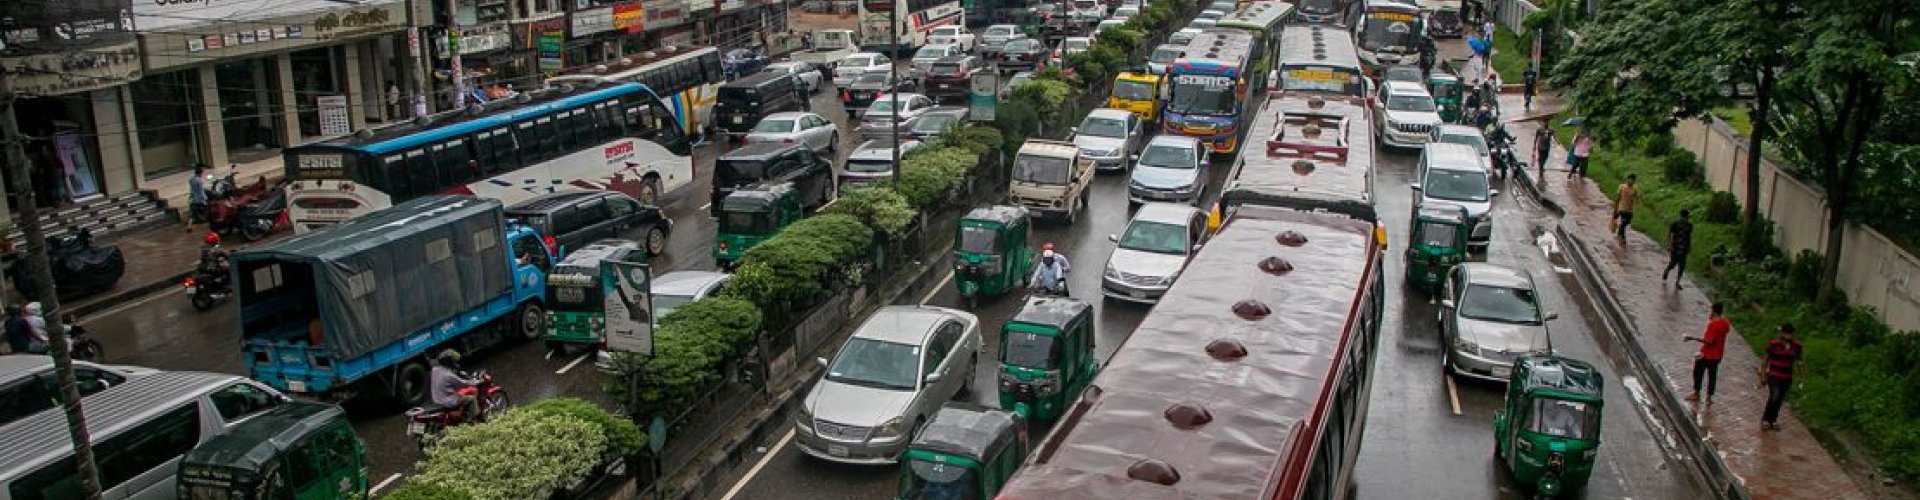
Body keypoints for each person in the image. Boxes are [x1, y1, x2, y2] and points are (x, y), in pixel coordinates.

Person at [1684, 302, 1730, 403]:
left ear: (1713, 310)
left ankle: (1696, 393)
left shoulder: (1713, 324)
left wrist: (1692, 338)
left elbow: (1709, 341)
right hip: (1718, 355)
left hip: (1707, 354)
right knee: (1712, 375)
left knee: (1698, 372)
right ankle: (1709, 397)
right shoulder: (1725, 323)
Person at [1760, 323, 1803, 430]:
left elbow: (1800, 361)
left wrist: (1802, 377)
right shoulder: (1774, 344)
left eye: (1790, 334)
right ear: (1782, 333)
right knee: (1774, 396)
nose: (1788, 336)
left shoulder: (1796, 346)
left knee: (1780, 399)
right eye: (1786, 333)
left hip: (1787, 376)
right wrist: (1763, 375)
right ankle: (1766, 419)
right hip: (1774, 375)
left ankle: (1773, 419)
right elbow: (1765, 360)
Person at [430, 349, 483, 422]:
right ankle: (475, 421)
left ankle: (462, 414)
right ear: (449, 362)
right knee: (471, 399)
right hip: (447, 400)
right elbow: (463, 383)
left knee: (460, 395)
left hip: (437, 399)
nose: (455, 363)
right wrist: (477, 382)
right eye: (454, 361)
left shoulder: (435, 370)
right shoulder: (449, 375)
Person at [1663, 210, 1695, 287]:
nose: (1686, 219)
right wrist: (1669, 245)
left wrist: (1689, 246)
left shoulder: (1689, 225)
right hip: (1675, 247)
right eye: (1685, 217)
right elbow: (1670, 234)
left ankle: (1678, 282)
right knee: (1673, 263)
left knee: (1682, 265)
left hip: (1684, 248)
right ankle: (1667, 271)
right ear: (1682, 216)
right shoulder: (1675, 224)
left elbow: (1689, 237)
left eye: (1687, 217)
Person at [1614, 174, 1639, 239]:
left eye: (1632, 180)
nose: (1631, 181)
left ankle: (1620, 232)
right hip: (1622, 208)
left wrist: (1637, 203)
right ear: (1627, 179)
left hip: (1630, 209)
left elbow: (1636, 197)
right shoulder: (1622, 187)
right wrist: (1615, 209)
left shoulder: (1635, 188)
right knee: (1624, 221)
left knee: (1627, 222)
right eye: (1629, 179)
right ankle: (1622, 236)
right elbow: (1618, 198)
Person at [186, 164, 207, 232]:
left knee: (192, 214)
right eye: (202, 173)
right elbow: (201, 191)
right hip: (199, 200)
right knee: (205, 210)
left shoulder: (192, 179)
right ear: (200, 173)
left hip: (193, 199)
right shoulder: (199, 181)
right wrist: (205, 199)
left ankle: (189, 226)